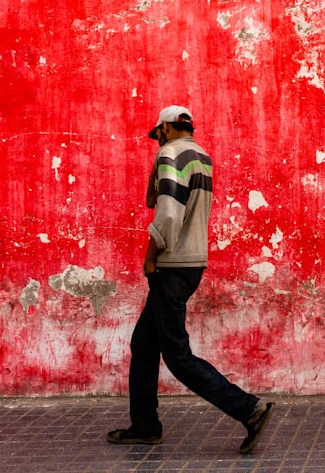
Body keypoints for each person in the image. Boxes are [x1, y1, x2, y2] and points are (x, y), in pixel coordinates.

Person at [108, 105, 274, 454]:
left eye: (158, 134)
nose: (157, 141)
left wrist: (151, 255)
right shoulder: (202, 156)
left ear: (166, 128)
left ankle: (248, 408)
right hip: (193, 263)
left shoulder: (170, 154)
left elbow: (166, 210)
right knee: (144, 344)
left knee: (178, 357)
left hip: (171, 265)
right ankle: (144, 426)